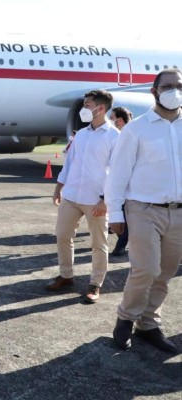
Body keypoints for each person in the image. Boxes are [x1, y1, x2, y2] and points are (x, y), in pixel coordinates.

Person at [107, 68, 182, 354]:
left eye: (179, 86)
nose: (175, 91)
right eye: (168, 86)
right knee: (146, 268)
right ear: (154, 91)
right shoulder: (137, 128)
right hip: (143, 209)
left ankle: (149, 324)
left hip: (178, 211)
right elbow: (117, 174)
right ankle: (126, 319)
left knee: (165, 272)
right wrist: (115, 213)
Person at [46, 90, 119, 304]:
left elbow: (117, 171)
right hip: (72, 195)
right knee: (62, 235)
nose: (83, 109)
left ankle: (95, 284)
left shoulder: (114, 136)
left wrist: (105, 200)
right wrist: (59, 187)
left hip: (96, 199)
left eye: (87, 105)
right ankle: (66, 276)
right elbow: (69, 163)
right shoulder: (82, 134)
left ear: (101, 108)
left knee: (98, 243)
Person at [108, 106, 133, 257]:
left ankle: (121, 244)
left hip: (130, 187)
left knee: (125, 217)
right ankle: (122, 242)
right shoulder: (120, 135)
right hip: (120, 185)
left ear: (120, 120)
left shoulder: (129, 136)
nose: (110, 121)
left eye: (112, 118)